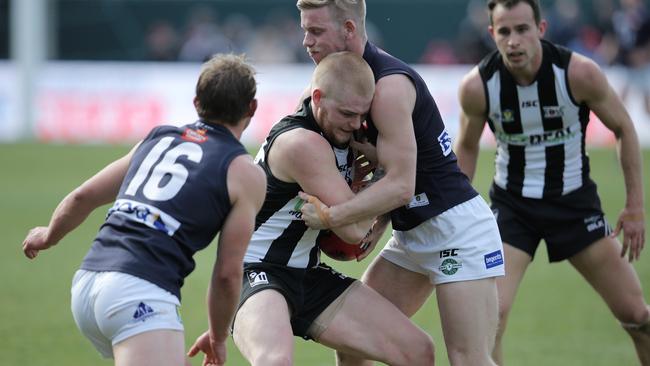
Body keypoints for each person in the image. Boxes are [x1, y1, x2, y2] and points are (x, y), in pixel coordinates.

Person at [187, 51, 435, 366]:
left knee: (418, 351)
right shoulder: (302, 144)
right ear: (317, 98)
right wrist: (386, 178)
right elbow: (355, 232)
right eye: (347, 114)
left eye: (362, 115)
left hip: (307, 272)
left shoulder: (339, 122)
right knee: (275, 361)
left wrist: (362, 192)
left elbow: (353, 232)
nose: (356, 124)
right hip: (256, 271)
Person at [21, 53, 267, 366]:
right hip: (139, 291)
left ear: (196, 103)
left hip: (87, 283)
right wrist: (218, 337)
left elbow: (83, 196)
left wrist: (48, 235)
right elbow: (227, 274)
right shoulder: (244, 172)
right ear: (252, 108)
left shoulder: (157, 139)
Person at [296, 1, 505, 365]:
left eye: (316, 31)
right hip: (413, 234)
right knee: (354, 344)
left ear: (348, 29)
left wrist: (333, 217)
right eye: (305, 31)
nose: (306, 42)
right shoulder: (345, 81)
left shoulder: (389, 86)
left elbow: (401, 185)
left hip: (457, 230)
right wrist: (380, 222)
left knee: (468, 358)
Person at [454, 0, 650, 364]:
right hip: (513, 209)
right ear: (492, 34)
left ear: (541, 30)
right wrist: (457, 218)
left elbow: (624, 127)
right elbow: (465, 149)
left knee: (639, 318)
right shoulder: (478, 86)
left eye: (522, 29)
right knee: (489, 319)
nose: (514, 41)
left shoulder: (578, 74)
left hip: (574, 205)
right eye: (505, 31)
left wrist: (635, 207)